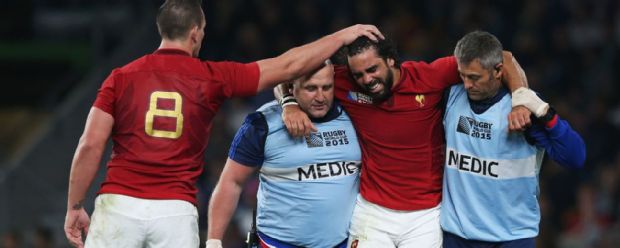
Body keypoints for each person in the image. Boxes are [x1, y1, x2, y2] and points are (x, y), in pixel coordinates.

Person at [62, 0, 383, 247]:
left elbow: (90, 144)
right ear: (196, 33)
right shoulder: (211, 77)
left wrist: (75, 204)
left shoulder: (121, 77)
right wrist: (342, 36)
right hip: (175, 210)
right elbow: (288, 65)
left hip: (120, 204)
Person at [278, 36, 530, 247]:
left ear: (391, 60)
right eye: (359, 74)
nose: (366, 79)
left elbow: (503, 57)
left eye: (372, 69)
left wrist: (520, 99)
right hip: (372, 212)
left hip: (426, 216)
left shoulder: (428, 77)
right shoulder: (342, 81)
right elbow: (285, 71)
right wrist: (288, 103)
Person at [440, 31, 586, 247]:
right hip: (457, 238)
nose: (467, 84)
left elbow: (576, 158)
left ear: (498, 71)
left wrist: (544, 112)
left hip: (511, 238)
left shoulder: (522, 112)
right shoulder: (451, 96)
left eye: (474, 77)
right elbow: (507, 56)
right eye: (463, 75)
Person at [206, 60, 361, 248]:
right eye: (311, 88)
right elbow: (231, 181)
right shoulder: (262, 123)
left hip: (344, 243)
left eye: (327, 87)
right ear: (291, 87)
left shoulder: (355, 117)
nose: (321, 97)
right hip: (277, 244)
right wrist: (214, 241)